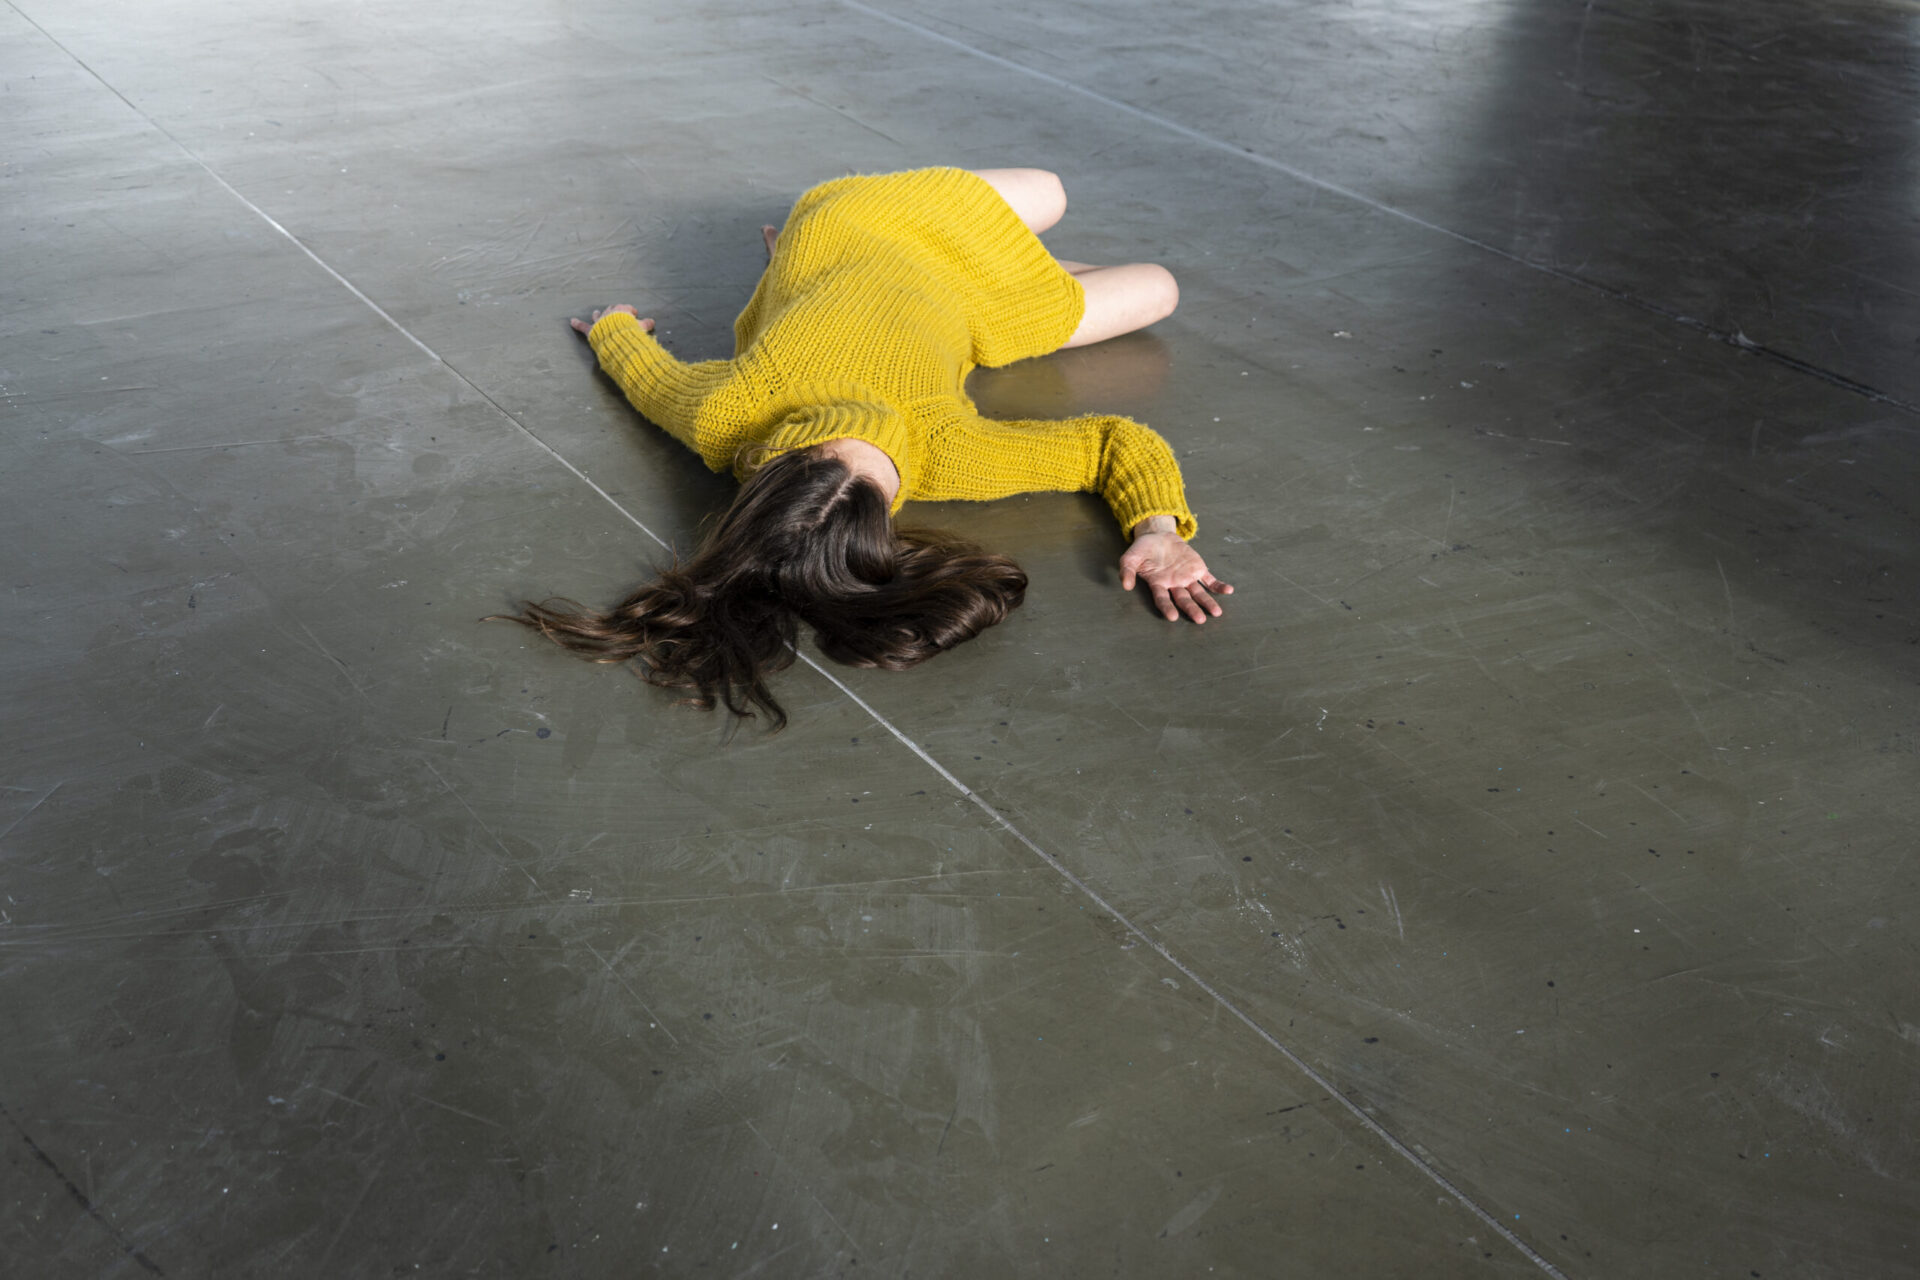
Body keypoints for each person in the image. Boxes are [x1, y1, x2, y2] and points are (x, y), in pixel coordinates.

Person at [499, 166, 1232, 728]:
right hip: (965, 303)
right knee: (1161, 289)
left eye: (825, 446)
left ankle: (807, 255)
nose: (850, 436)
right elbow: (1115, 443)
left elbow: (642, 373)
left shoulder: (727, 414)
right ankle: (810, 263)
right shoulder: (948, 453)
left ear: (769, 472)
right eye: (865, 457)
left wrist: (614, 330)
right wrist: (1159, 529)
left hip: (853, 219)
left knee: (1053, 190)